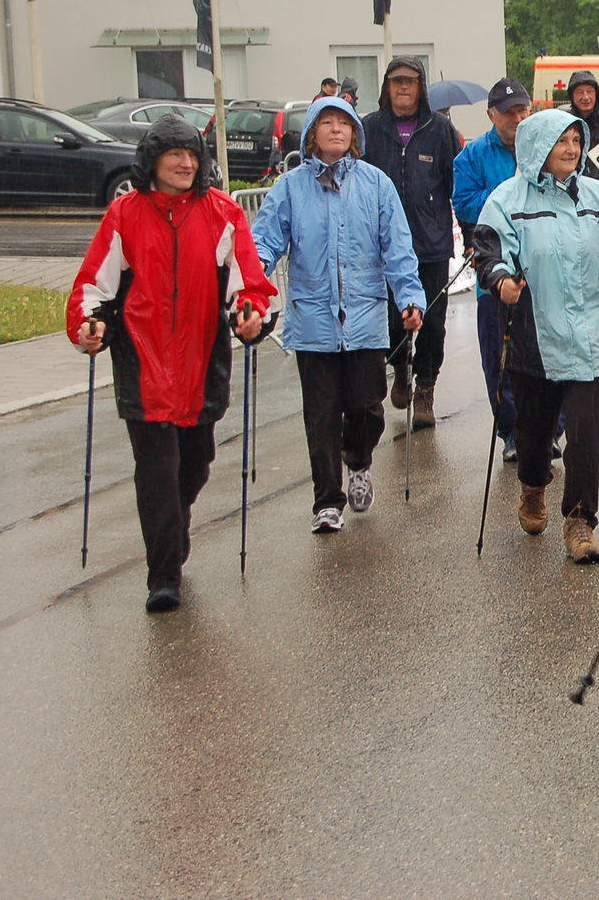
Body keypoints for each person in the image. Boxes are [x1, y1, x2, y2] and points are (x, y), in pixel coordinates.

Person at [68, 116, 277, 612]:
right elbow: (93, 288)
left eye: (193, 155)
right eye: (174, 155)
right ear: (152, 161)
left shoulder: (223, 212)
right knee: (157, 471)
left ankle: (173, 529)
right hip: (143, 366)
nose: (186, 164)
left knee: (196, 464)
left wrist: (250, 315)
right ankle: (163, 575)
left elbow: (249, 283)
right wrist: (89, 324)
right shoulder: (124, 214)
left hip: (203, 363)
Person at [251, 97, 425, 534]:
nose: (335, 131)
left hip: (365, 317)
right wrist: (253, 287)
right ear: (312, 134)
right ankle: (327, 501)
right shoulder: (290, 188)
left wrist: (410, 297)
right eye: (325, 123)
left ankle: (359, 461)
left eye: (343, 124)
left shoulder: (376, 184)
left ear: (354, 136)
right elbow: (265, 243)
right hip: (312, 322)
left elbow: (397, 248)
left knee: (367, 408)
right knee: (322, 414)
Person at [472, 109, 599, 562]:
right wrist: (502, 280)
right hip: (532, 340)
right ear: (536, 148)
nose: (570, 149)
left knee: (585, 437)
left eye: (575, 140)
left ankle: (581, 521)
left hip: (590, 342)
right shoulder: (507, 199)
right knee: (533, 434)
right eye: (560, 141)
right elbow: (487, 250)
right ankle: (532, 486)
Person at [361, 56, 460, 430]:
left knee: (432, 322)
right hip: (381, 248)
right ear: (386, 87)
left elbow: (457, 185)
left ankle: (425, 388)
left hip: (430, 245)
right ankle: (399, 364)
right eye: (396, 81)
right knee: (391, 321)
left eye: (411, 81)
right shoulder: (368, 129)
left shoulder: (440, 130)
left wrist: (470, 235)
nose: (403, 87)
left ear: (421, 88)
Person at [453, 77, 532, 463]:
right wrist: (508, 193)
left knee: (546, 356)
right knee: (498, 360)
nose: (517, 118)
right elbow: (465, 204)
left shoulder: (542, 146)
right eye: (509, 112)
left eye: (523, 110)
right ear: (491, 115)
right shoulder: (471, 157)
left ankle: (548, 429)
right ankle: (511, 432)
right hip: (493, 275)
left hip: (541, 272)